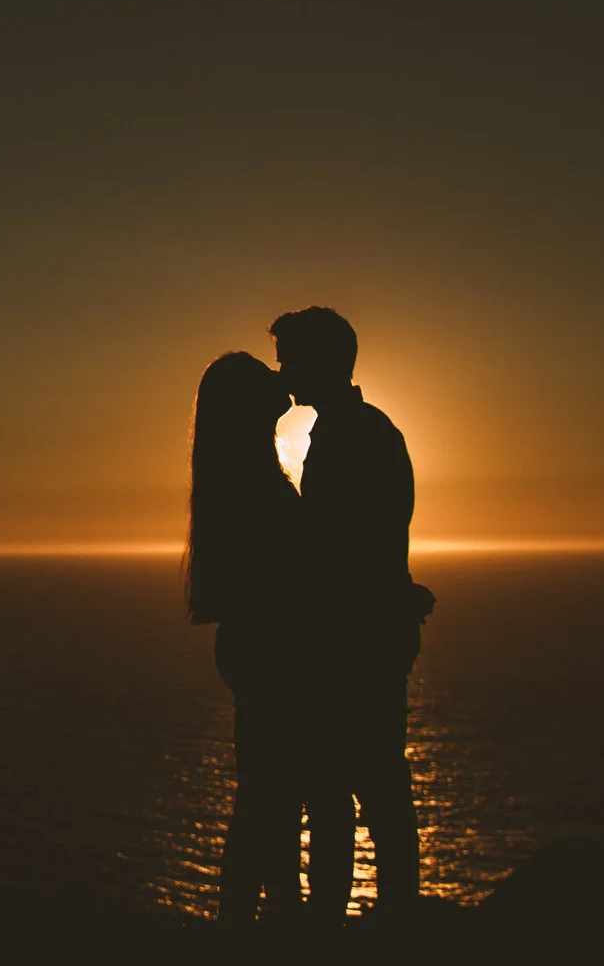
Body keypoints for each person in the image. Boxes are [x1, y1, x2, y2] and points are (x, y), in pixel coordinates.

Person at [272, 305, 432, 924]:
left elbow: (350, 545)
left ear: (323, 361)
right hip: (369, 630)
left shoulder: (359, 434)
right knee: (362, 783)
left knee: (357, 787)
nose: (283, 370)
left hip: (356, 639)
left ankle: (358, 921)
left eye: (291, 357)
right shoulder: (354, 430)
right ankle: (375, 915)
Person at [184, 350, 309, 922]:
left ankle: (266, 919)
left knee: (267, 800)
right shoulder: (253, 486)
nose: (278, 380)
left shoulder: (239, 477)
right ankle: (258, 923)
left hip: (253, 646)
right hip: (270, 650)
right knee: (269, 801)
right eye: (264, 378)